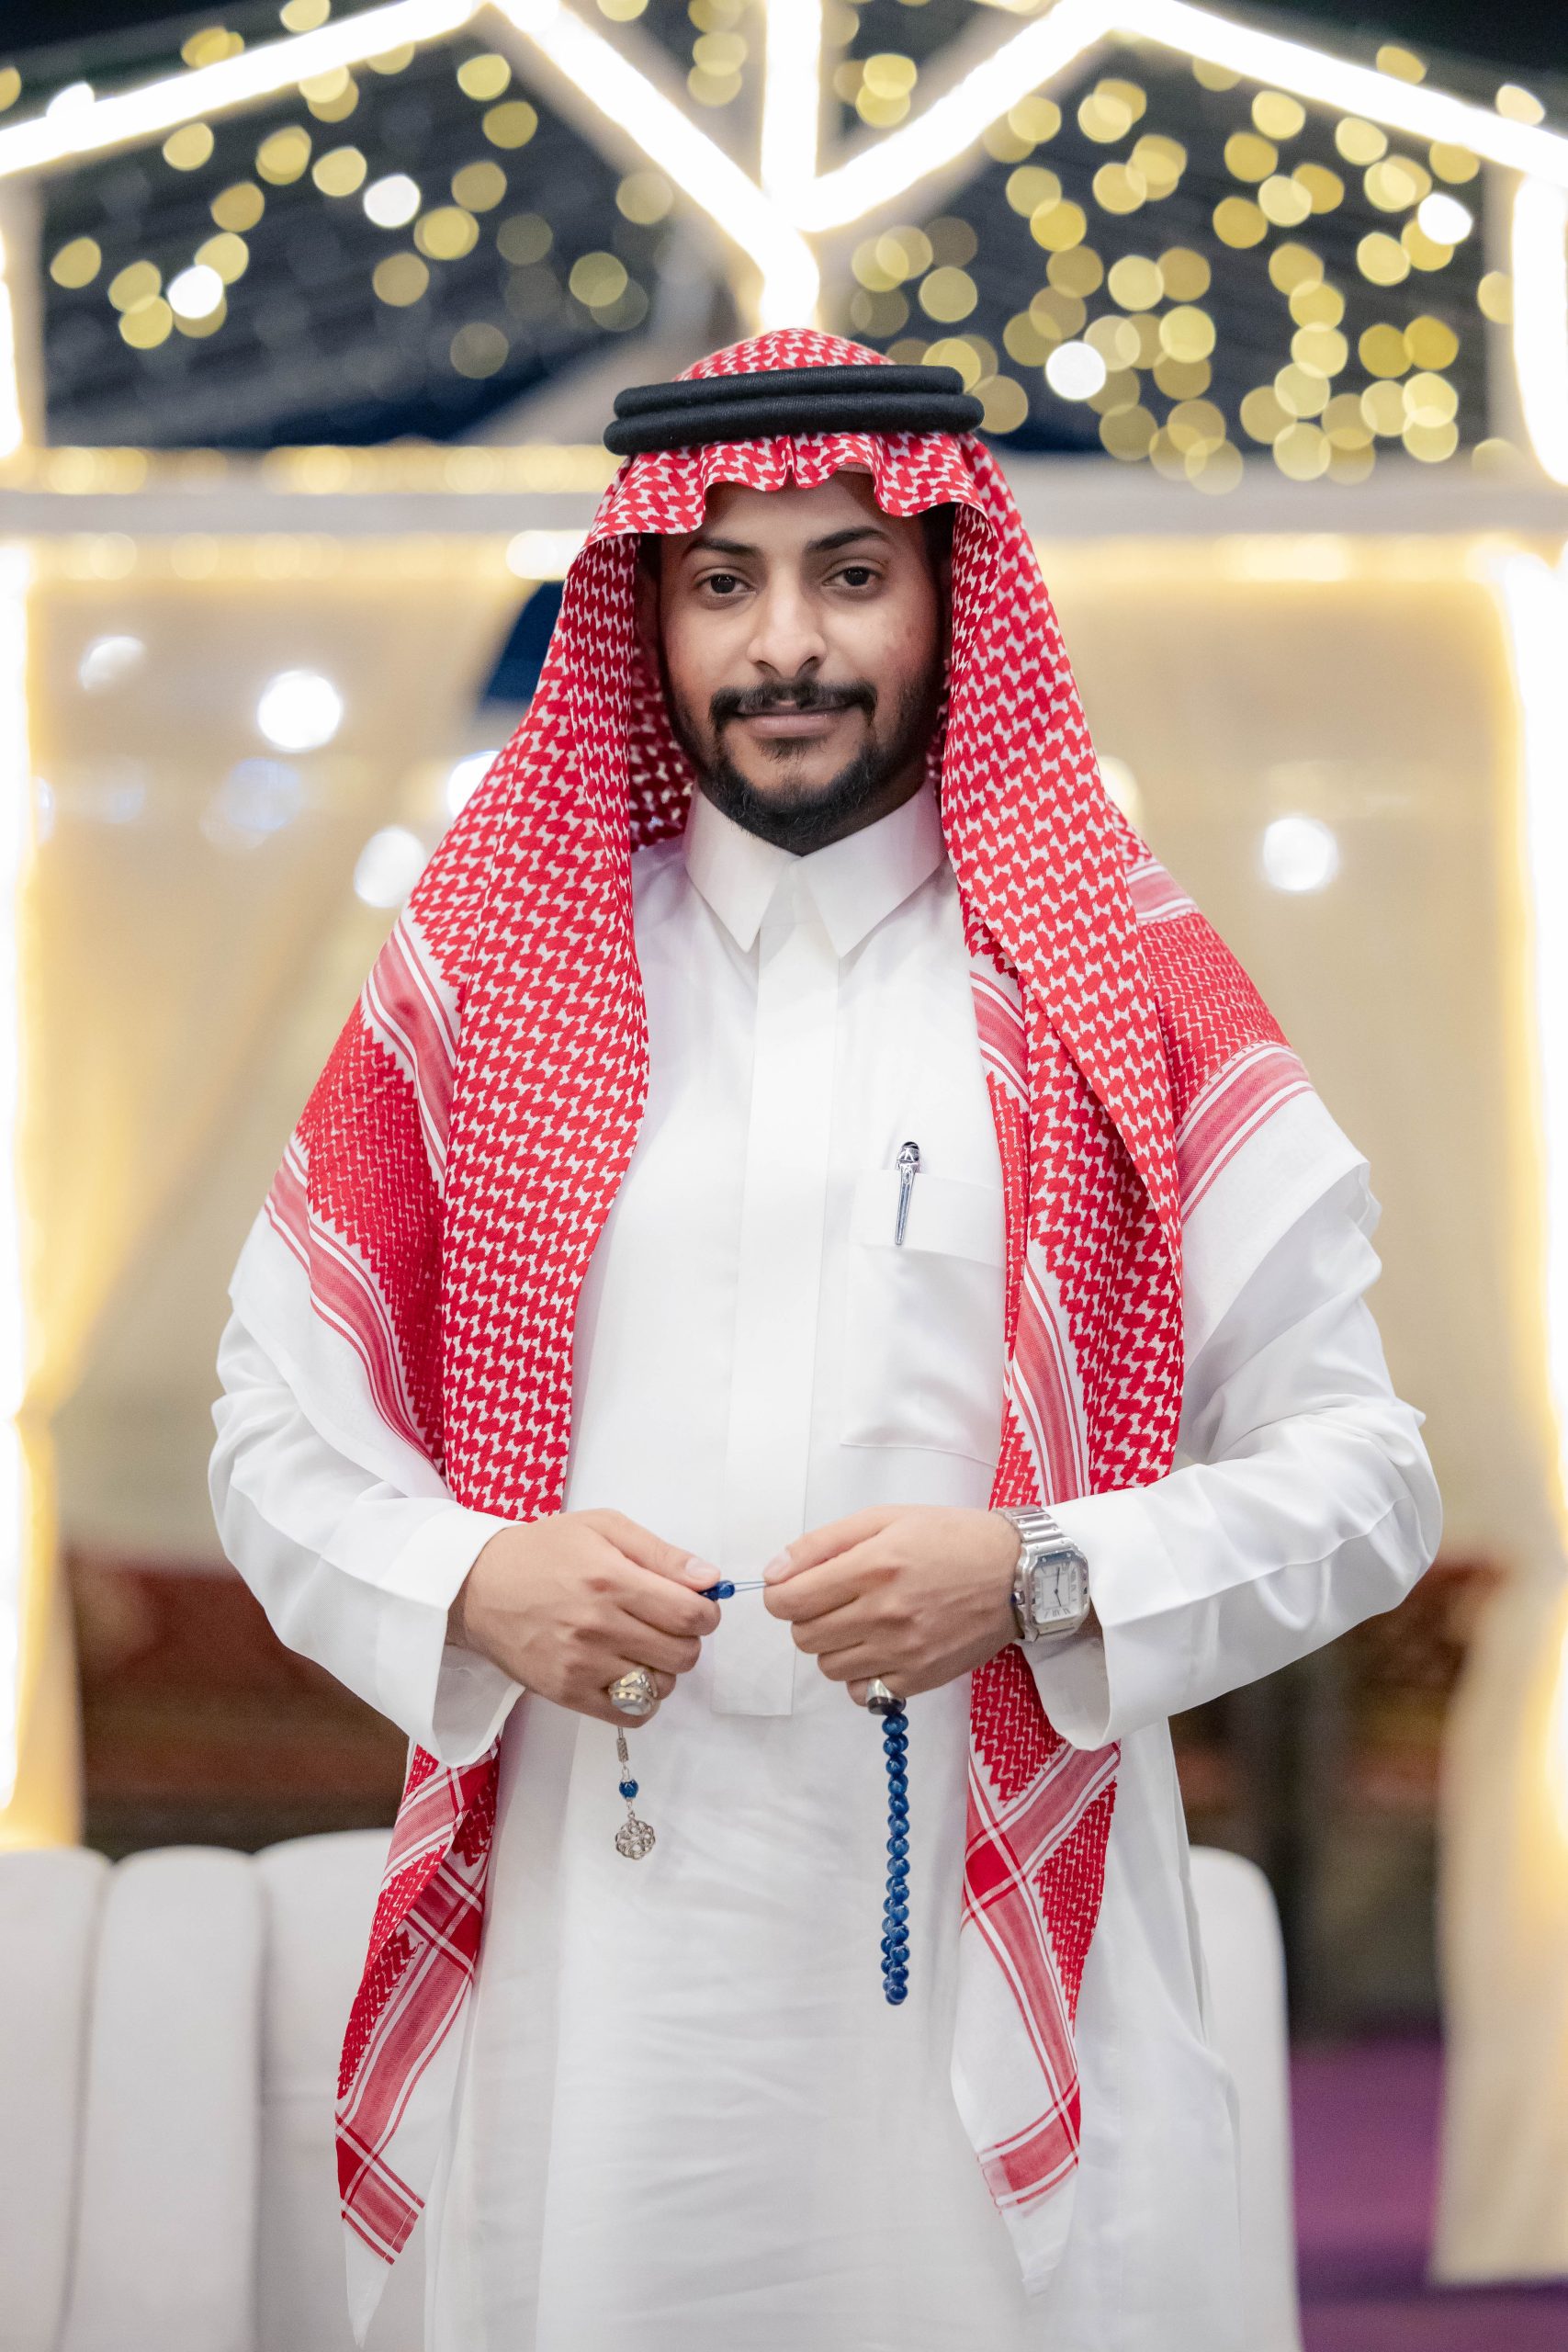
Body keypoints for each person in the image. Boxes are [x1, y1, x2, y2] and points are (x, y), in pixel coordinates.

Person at [208, 332, 1439, 2352]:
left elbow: (1367, 1478)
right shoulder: (487, 981)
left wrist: (1039, 1573)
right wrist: (470, 1580)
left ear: (950, 594)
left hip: (988, 1956)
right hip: (601, 1983)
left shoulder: (1124, 991)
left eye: (849, 573)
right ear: (652, 616)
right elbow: (275, 1431)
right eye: (724, 583)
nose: (784, 641)